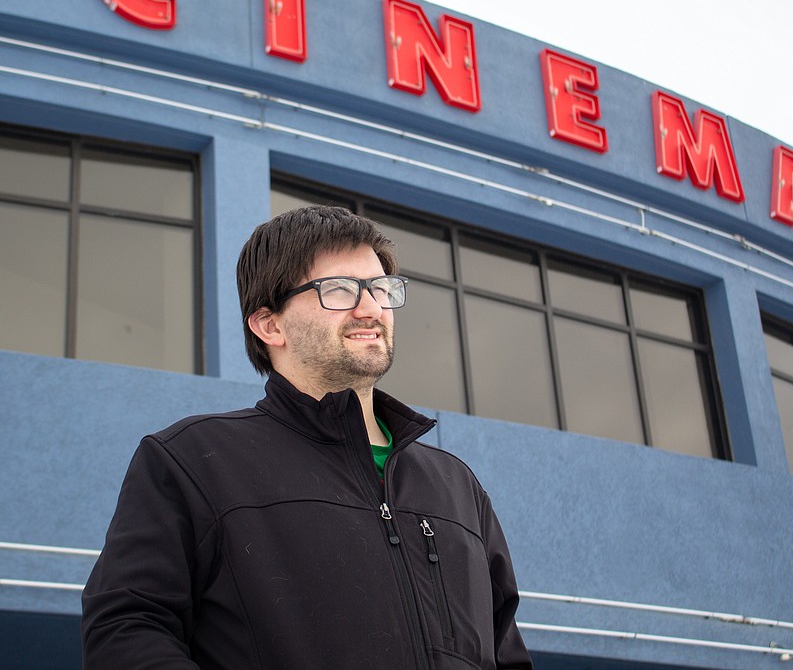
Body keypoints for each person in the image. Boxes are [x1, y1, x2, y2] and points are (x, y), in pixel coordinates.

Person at [81, 205, 532, 669]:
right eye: (339, 290)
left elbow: (507, 656)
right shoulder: (192, 462)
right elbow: (127, 631)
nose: (370, 308)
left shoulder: (457, 487)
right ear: (269, 324)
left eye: (380, 289)